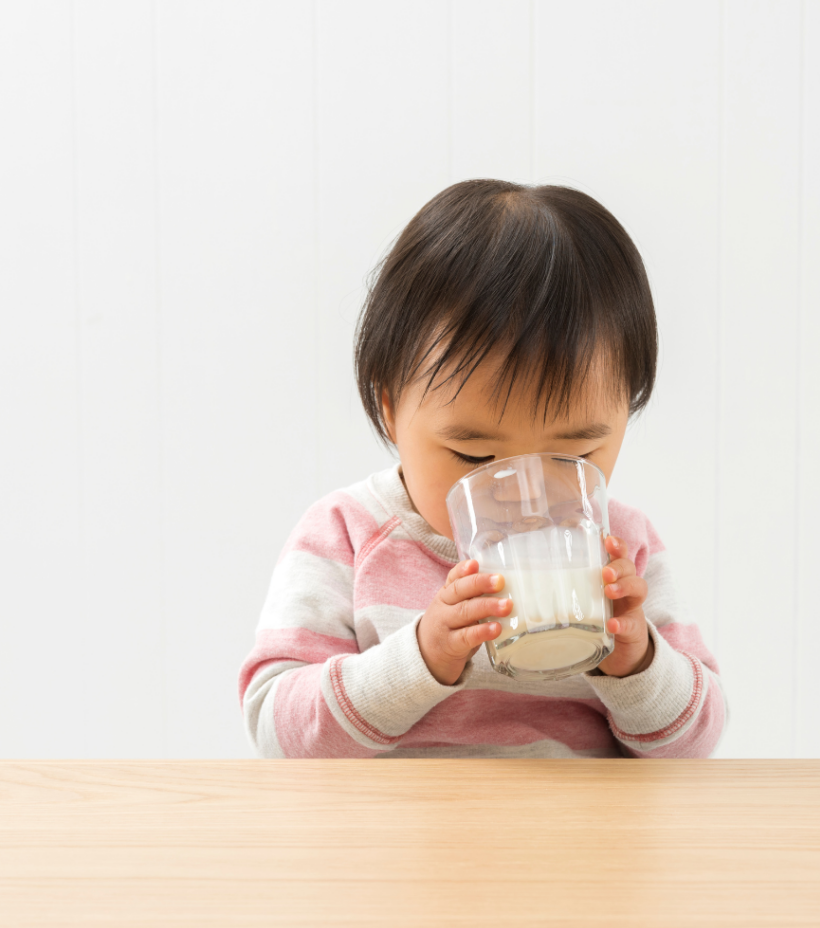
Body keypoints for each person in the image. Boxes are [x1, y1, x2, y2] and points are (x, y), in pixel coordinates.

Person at [238, 179, 727, 758]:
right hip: (402, 842)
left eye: (572, 456)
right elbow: (277, 732)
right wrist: (419, 659)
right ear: (391, 409)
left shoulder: (622, 549)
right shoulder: (347, 537)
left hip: (581, 843)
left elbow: (697, 743)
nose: (525, 495)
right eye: (474, 456)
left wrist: (638, 662)